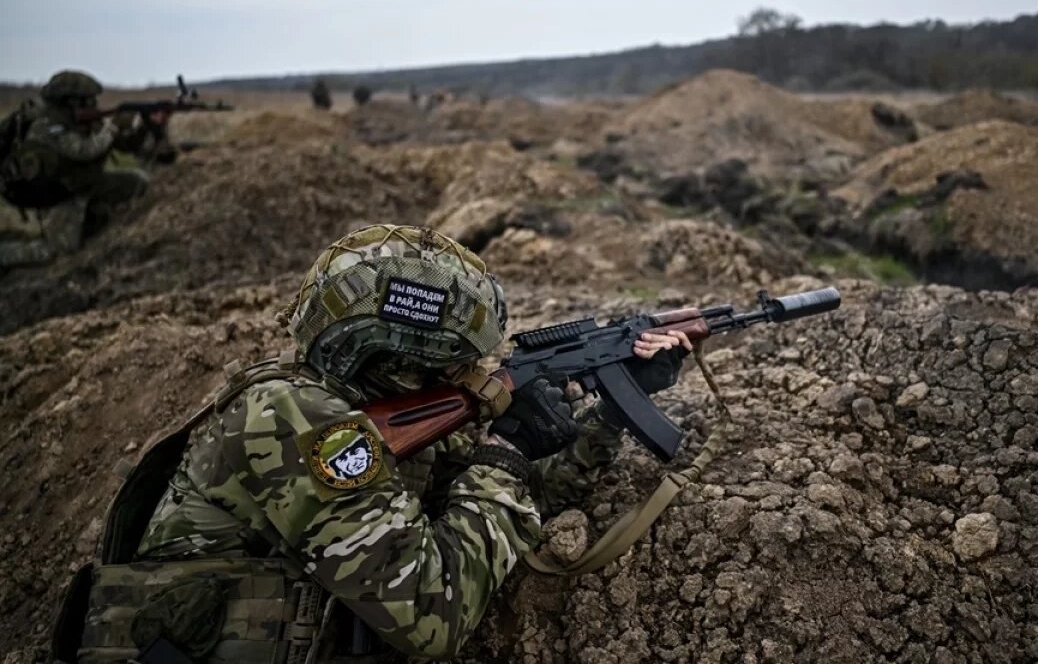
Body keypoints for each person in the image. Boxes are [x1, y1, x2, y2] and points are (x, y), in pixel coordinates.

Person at [54, 224, 690, 663]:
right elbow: (431, 613)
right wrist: (508, 451)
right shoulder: (296, 419)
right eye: (456, 357)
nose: (474, 367)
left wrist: (612, 407)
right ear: (403, 354)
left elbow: (522, 504)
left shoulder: (369, 403)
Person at [0, 70, 147, 269]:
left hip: (82, 185)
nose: (93, 104)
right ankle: (6, 253)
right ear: (71, 102)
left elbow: (122, 145)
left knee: (137, 183)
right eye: (87, 100)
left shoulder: (79, 122)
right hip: (56, 194)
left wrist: (141, 126)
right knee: (59, 252)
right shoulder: (46, 125)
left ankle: (93, 218)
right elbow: (83, 150)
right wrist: (112, 127)